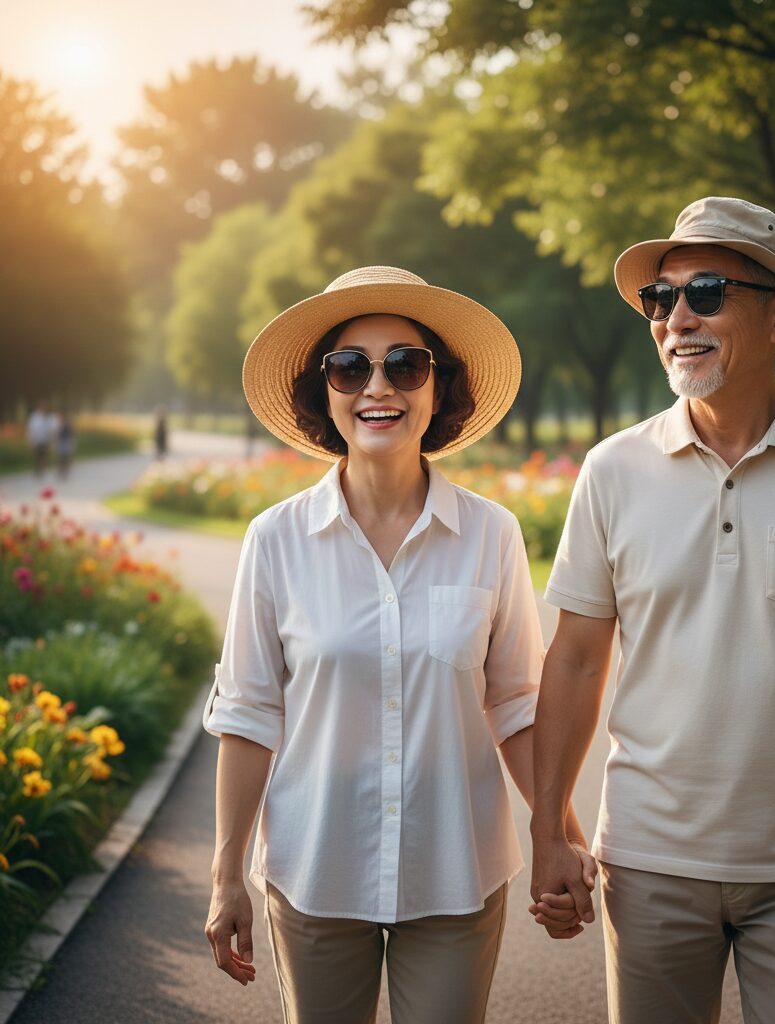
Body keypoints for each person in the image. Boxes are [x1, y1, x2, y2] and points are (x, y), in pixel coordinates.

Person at [528, 197, 775, 1024]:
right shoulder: (612, 470)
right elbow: (573, 660)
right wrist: (548, 831)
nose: (676, 317)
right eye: (661, 298)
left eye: (707, 293)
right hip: (648, 856)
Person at [202, 265, 596, 1024]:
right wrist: (225, 877)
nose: (377, 387)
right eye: (350, 367)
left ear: (439, 389)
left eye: (406, 365)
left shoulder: (491, 534)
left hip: (456, 870)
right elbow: (248, 716)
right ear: (324, 392)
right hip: (315, 872)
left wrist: (560, 839)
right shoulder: (275, 540)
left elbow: (518, 704)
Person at [26, 401, 55, 477]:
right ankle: (38, 469)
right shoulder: (34, 417)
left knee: (44, 456)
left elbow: (51, 430)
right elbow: (30, 430)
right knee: (38, 456)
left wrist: (52, 441)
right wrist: (30, 441)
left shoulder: (47, 417)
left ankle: (42, 470)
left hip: (45, 440)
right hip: (36, 440)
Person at [55, 410, 76, 479]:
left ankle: (65, 469)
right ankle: (61, 470)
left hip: (66, 441)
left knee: (66, 456)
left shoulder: (68, 424)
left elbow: (71, 433)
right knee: (61, 457)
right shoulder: (58, 424)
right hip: (61, 442)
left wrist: (72, 442)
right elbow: (57, 435)